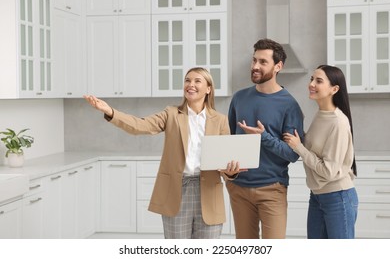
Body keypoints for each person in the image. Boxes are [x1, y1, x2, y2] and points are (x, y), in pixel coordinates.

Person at [84, 67, 241, 239]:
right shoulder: (171, 114)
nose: (191, 84)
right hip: (177, 192)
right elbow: (139, 125)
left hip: (209, 194)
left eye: (197, 81)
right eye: (187, 80)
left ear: (209, 88)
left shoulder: (220, 120)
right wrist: (110, 112)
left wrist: (230, 172)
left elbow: (225, 161)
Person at [226, 38, 304, 239]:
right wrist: (229, 174)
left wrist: (263, 137)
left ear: (278, 66)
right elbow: (231, 140)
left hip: (272, 189)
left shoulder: (289, 105)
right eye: (254, 61)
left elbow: (293, 154)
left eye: (263, 62)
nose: (255, 66)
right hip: (239, 189)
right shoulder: (239, 98)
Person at [283, 65, 358, 239]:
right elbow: (316, 148)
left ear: (334, 89)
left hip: (338, 197)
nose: (312, 84)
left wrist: (299, 147)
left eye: (319, 81)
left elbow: (328, 171)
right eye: (311, 79)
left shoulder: (338, 122)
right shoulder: (321, 114)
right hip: (317, 196)